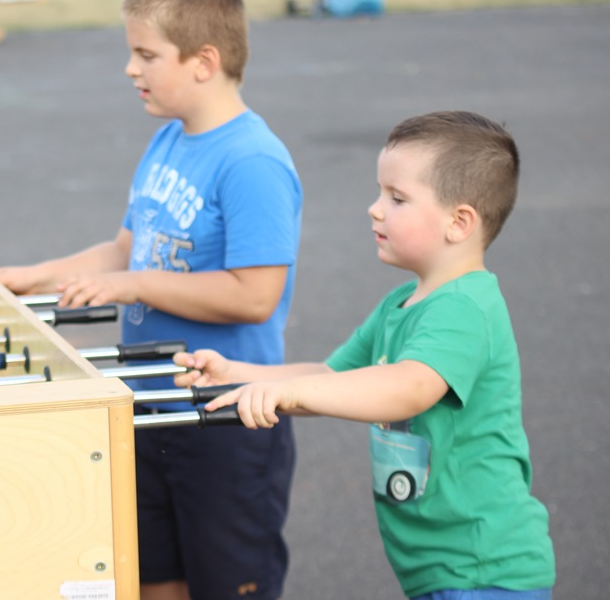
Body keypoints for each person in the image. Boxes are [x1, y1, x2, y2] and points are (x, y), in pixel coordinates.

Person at [0, 0, 303, 600]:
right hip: (147, 408)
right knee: (152, 581)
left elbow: (254, 294)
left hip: (223, 417)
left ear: (203, 62)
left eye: (146, 55)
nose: (131, 70)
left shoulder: (253, 161)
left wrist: (136, 285)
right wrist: (36, 277)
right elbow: (125, 250)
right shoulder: (168, 140)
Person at [174, 111, 556, 599]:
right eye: (380, 193)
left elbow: (408, 388)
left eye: (396, 199)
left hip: (485, 567)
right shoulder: (401, 304)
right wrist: (240, 375)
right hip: (441, 567)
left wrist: (285, 392)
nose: (374, 209)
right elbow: (332, 376)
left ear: (459, 222)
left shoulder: (465, 308)